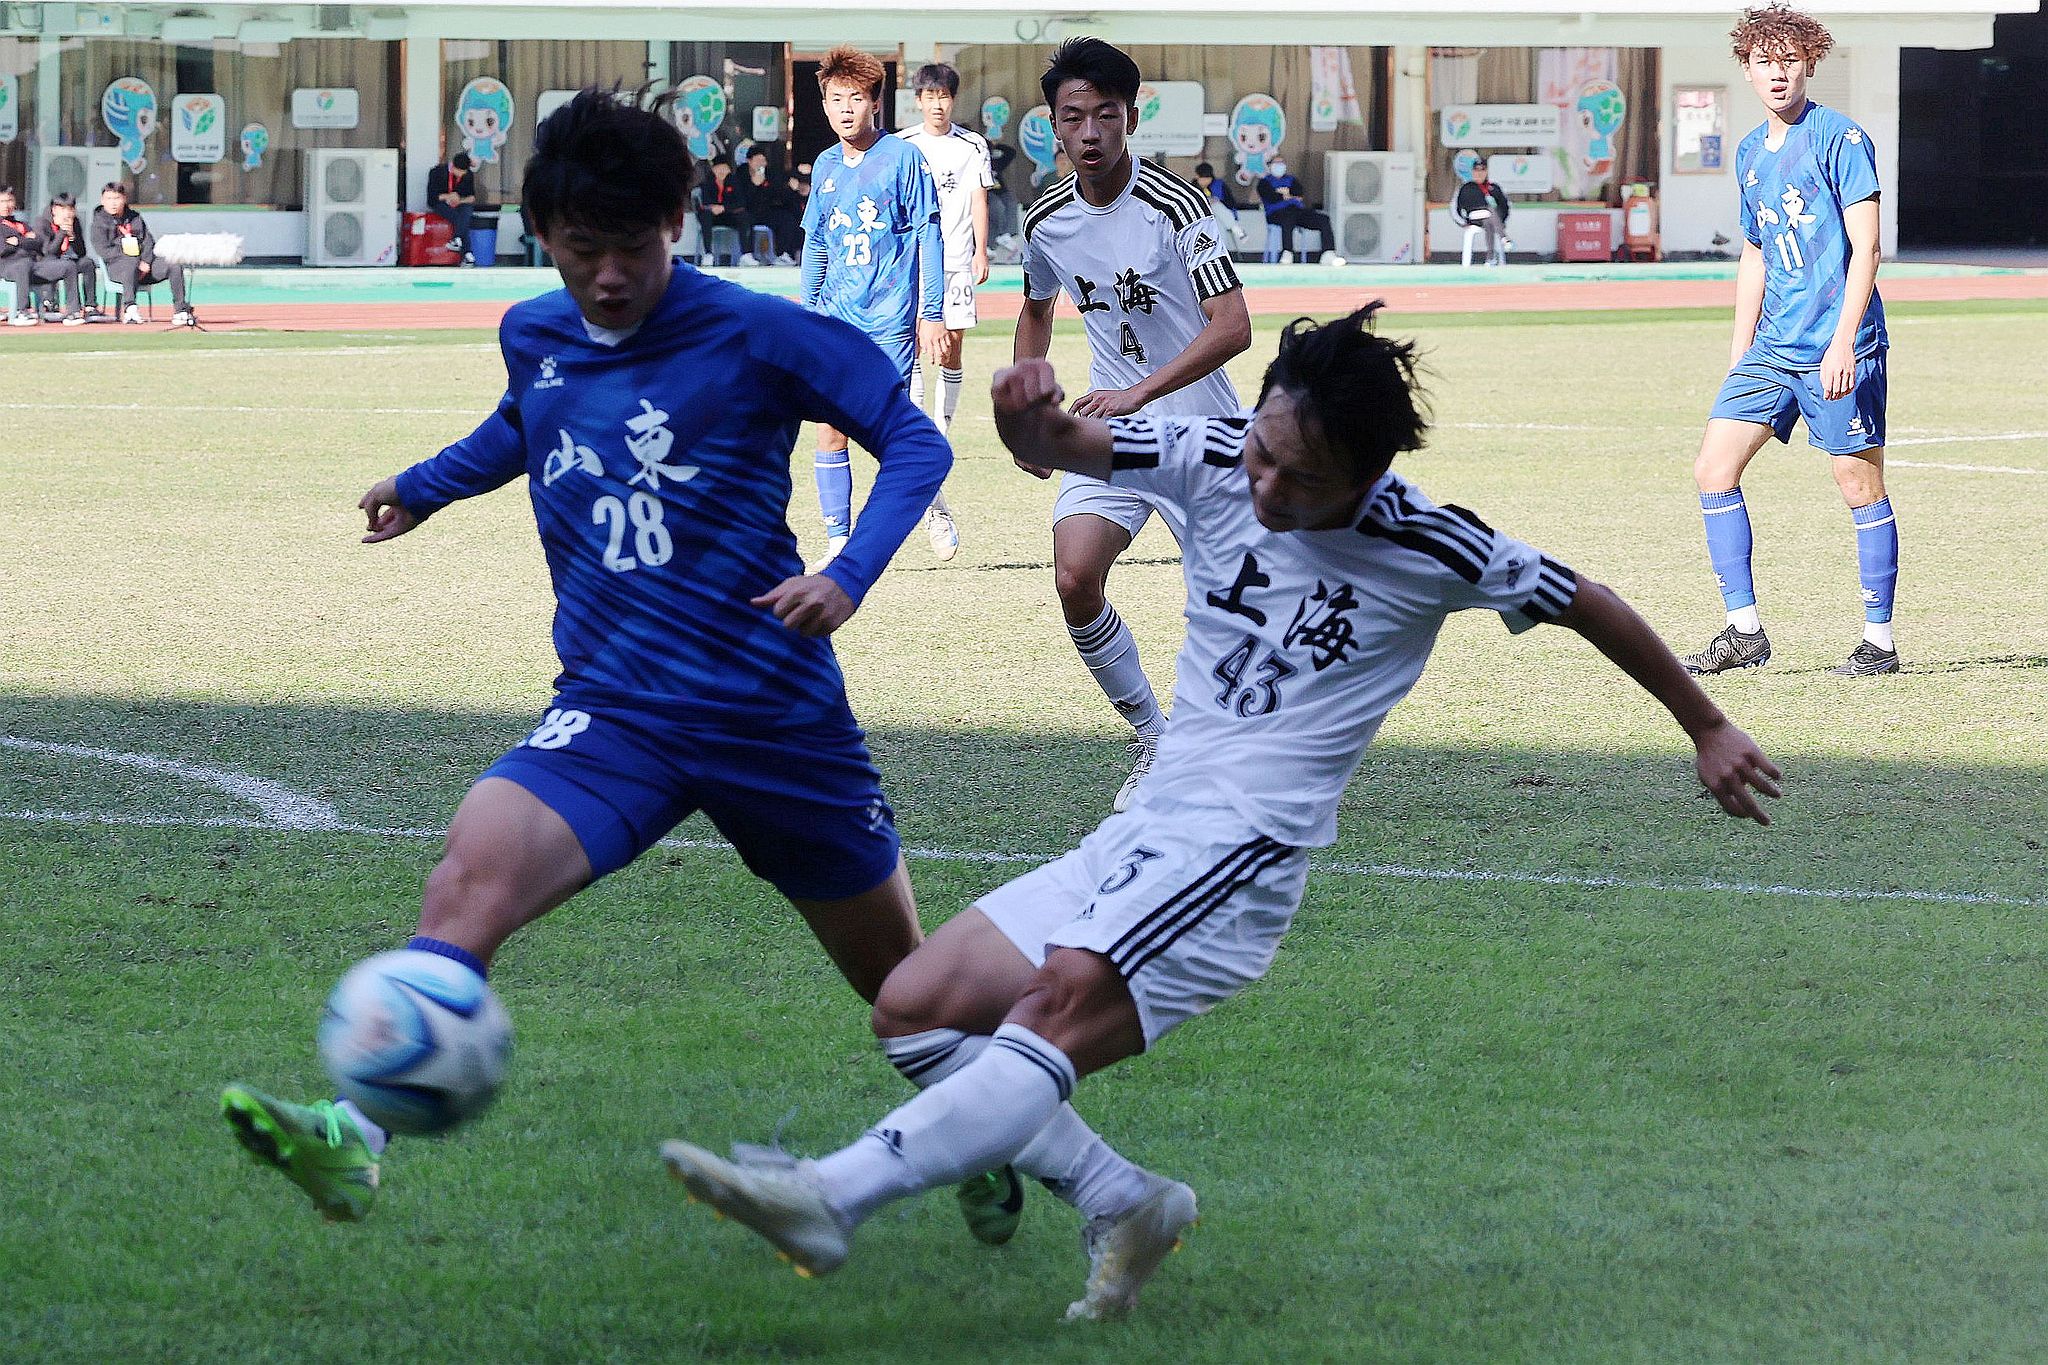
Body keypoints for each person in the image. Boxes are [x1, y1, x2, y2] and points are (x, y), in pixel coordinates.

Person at [658, 306, 1783, 1319]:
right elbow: (1060, 450)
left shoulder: (1428, 542)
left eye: (1300, 480)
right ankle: (1124, 1200)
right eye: (1261, 453)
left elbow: (1583, 600)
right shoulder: (1206, 450)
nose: (1263, 488)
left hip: (1246, 848)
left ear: (1367, 477)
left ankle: (828, 1197)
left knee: (1050, 1010)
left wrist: (1704, 726)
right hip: (1150, 823)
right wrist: (1023, 414)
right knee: (915, 1010)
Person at [216, 86, 967, 1231]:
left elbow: (913, 440)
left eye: (631, 248)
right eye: (580, 251)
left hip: (772, 718)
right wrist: (424, 486)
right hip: (616, 711)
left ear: (677, 224)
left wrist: (847, 571)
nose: (607, 277)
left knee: (906, 1000)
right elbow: (527, 420)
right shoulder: (537, 330)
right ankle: (351, 1139)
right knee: (465, 883)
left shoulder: (757, 333)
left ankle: (1001, 1138)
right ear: (544, 237)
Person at [1015, 36, 1252, 812]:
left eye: (1105, 116)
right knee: (1075, 576)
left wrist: (1141, 392)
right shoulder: (1044, 219)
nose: (1089, 133)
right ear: (1054, 124)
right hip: (1109, 433)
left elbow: (1233, 325)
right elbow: (1033, 310)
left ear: (1131, 117)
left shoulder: (1179, 205)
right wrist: (1031, 408)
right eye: (1073, 117)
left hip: (1203, 435)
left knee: (1238, 613)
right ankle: (1156, 738)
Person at [1682, 3, 1897, 677]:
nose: (1777, 74)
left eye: (1789, 61)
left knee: (1857, 483)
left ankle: (1878, 642)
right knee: (1713, 469)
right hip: (1772, 347)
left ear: (1810, 63)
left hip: (1840, 342)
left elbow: (1868, 249)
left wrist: (1841, 344)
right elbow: (1756, 254)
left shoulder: (1842, 139)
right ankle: (1744, 631)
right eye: (1763, 62)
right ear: (1746, 69)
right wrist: (1739, 348)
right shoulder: (1749, 152)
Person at [801, 45, 947, 570]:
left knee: (888, 431)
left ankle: (930, 498)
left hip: (889, 319)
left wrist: (932, 312)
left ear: (875, 104)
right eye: (836, 99)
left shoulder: (905, 159)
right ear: (823, 105)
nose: (846, 109)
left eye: (856, 99)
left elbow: (929, 235)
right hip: (837, 322)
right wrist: (808, 312)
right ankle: (838, 539)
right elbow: (817, 244)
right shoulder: (824, 166)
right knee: (828, 424)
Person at [900, 61, 997, 558]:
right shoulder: (903, 145)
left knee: (952, 351)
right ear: (918, 99)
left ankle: (938, 432)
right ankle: (926, 440)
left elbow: (980, 200)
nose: (938, 103)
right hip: (915, 268)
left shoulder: (972, 145)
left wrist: (982, 249)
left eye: (945, 95)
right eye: (930, 95)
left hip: (958, 266)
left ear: (953, 100)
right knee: (917, 350)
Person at [90, 182, 192, 327]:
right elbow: (104, 251)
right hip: (118, 269)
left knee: (173, 264)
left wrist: (146, 261)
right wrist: (131, 257)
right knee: (129, 261)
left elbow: (148, 242)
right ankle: (130, 308)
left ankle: (181, 310)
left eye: (117, 198)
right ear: (102, 200)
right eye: (109, 199)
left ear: (124, 199)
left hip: (144, 267)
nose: (113, 203)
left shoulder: (135, 217)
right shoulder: (98, 222)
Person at [1255, 158, 1342, 264]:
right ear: (1270, 166)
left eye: (1281, 163)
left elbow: (1299, 193)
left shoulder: (1292, 180)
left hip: (1296, 211)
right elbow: (1271, 197)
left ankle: (1328, 253)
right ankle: (1287, 252)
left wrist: (1281, 194)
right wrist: (1288, 194)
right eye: (1276, 163)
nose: (1279, 166)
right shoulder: (1264, 182)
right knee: (1288, 218)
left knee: (1323, 219)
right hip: (1276, 213)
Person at [38, 193, 99, 323]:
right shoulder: (43, 223)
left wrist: (72, 237)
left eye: (70, 209)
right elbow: (48, 252)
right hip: (49, 262)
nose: (67, 214)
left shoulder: (75, 222)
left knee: (88, 263)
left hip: (69, 260)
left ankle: (90, 305)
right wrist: (61, 233)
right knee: (66, 265)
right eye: (63, 209)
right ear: (54, 210)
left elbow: (82, 252)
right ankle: (60, 306)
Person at [0, 185, 57, 326]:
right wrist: (26, 241)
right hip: (6, 267)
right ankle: (22, 311)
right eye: (2, 201)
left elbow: (38, 243)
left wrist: (18, 242)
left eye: (9, 200)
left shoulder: (21, 224)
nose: (6, 205)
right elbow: (2, 249)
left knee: (66, 265)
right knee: (23, 264)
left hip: (31, 265)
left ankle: (67, 310)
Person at [736, 147, 801, 264]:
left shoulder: (770, 174)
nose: (761, 164)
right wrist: (754, 185)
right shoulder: (741, 174)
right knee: (744, 218)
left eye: (763, 161)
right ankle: (746, 254)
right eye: (757, 160)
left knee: (786, 218)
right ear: (749, 161)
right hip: (748, 211)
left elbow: (778, 194)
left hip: (766, 211)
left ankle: (782, 253)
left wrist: (789, 188)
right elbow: (741, 199)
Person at [1453, 157, 1513, 265]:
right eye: (1477, 170)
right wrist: (1463, 221)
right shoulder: (1466, 188)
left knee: (1489, 220)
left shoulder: (1494, 188)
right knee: (1489, 211)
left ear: (1486, 172)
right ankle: (1504, 237)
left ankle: (1490, 257)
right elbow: (1458, 208)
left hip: (1490, 220)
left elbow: (1504, 206)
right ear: (1472, 172)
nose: (1479, 173)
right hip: (1473, 218)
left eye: (1482, 170)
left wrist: (1502, 221)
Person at [695, 155, 752, 260]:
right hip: (712, 215)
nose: (722, 172)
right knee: (705, 216)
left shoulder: (734, 182)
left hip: (728, 215)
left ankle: (746, 255)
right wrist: (713, 207)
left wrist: (724, 208)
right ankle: (708, 254)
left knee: (743, 217)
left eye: (725, 169)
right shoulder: (707, 182)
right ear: (713, 169)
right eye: (719, 169)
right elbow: (704, 202)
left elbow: (740, 202)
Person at [425, 150, 478, 260]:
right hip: (441, 203)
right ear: (453, 167)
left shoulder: (467, 175)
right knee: (460, 218)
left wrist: (460, 200)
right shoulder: (437, 172)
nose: (462, 175)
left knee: (466, 212)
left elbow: (471, 197)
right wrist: (448, 196)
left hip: (459, 203)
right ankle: (467, 252)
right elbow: (432, 198)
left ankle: (457, 239)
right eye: (460, 172)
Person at [1192, 159, 1253, 246]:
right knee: (1215, 206)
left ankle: (1222, 249)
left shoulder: (1219, 185)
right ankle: (1237, 229)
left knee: (1218, 216)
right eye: (1202, 178)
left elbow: (1230, 203)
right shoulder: (1193, 187)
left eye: (1207, 179)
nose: (1205, 181)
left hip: (1221, 216)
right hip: (1203, 217)